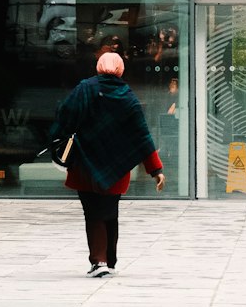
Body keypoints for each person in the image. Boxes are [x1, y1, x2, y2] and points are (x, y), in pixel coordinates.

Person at [53, 50, 164, 277]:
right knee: (109, 211)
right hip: (117, 164)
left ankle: (100, 261)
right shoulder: (128, 96)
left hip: (85, 163)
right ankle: (109, 260)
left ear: (98, 67)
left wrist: (60, 140)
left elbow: (64, 116)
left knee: (92, 212)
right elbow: (141, 135)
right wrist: (156, 169)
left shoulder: (84, 89)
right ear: (121, 70)